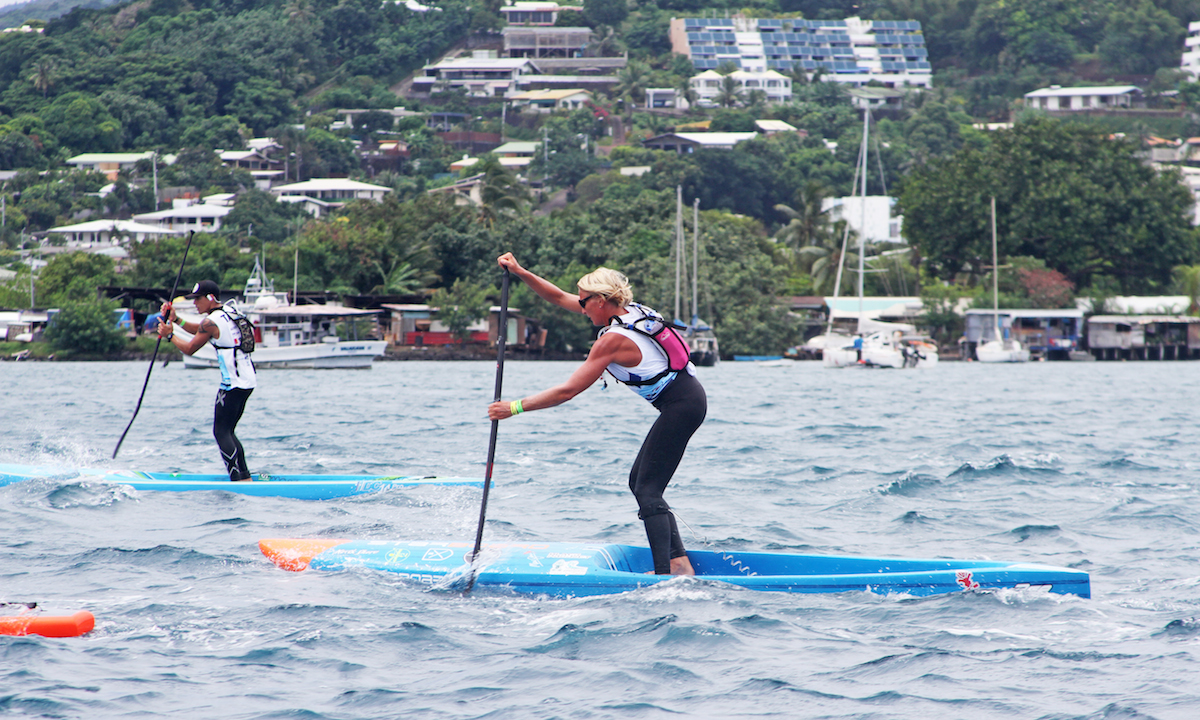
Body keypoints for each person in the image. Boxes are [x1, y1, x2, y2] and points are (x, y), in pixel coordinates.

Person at [487, 254, 707, 576]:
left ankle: (669, 576)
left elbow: (567, 391)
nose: (579, 305)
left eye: (584, 301)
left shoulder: (613, 340)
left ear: (602, 301)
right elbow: (558, 297)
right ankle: (677, 562)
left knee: (647, 489)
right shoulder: (631, 311)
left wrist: (514, 407)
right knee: (640, 483)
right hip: (687, 399)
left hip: (682, 406)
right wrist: (520, 272)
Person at [158, 280, 257, 482]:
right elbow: (202, 330)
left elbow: (189, 349)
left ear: (210, 298)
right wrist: (176, 320)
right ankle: (244, 476)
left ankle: (239, 480)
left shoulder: (211, 322)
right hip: (246, 381)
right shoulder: (226, 312)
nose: (195, 304)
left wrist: (170, 336)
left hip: (233, 384)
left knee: (221, 432)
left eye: (198, 299)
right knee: (228, 430)